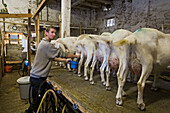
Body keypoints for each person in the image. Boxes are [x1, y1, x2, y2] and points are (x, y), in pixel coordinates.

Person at [25, 26, 80, 113]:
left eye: (55, 32)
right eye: (52, 32)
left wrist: (65, 61)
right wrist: (76, 56)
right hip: (38, 78)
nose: (54, 34)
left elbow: (52, 58)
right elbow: (61, 53)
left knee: (36, 101)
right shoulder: (47, 45)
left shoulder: (43, 43)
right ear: (46, 33)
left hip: (36, 77)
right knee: (36, 104)